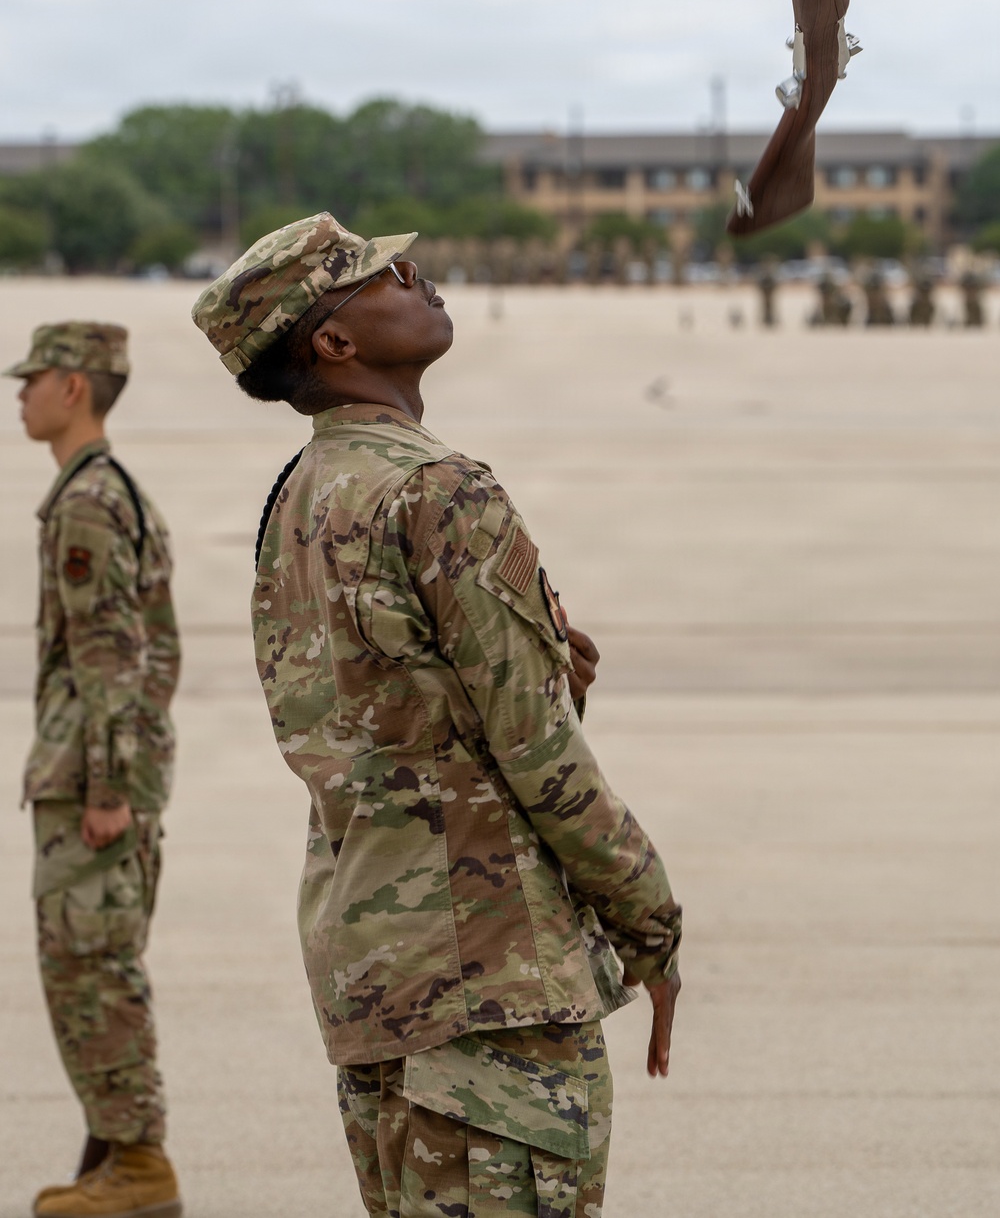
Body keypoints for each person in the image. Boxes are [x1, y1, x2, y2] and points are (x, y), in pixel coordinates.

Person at [191, 215, 682, 1218]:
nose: (416, 276)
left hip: (376, 970)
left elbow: (388, 719)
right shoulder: (436, 489)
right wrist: (652, 922)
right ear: (333, 343)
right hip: (486, 977)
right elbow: (537, 753)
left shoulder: (304, 494)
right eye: (383, 274)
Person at [6, 324, 181, 1218]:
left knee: (90, 968)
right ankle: (111, 1156)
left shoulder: (87, 503)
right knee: (98, 960)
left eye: (32, 379)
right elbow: (155, 655)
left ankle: (140, 1170)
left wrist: (108, 789)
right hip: (106, 766)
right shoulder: (114, 494)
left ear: (72, 388)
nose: (20, 393)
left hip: (89, 779)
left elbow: (110, 653)